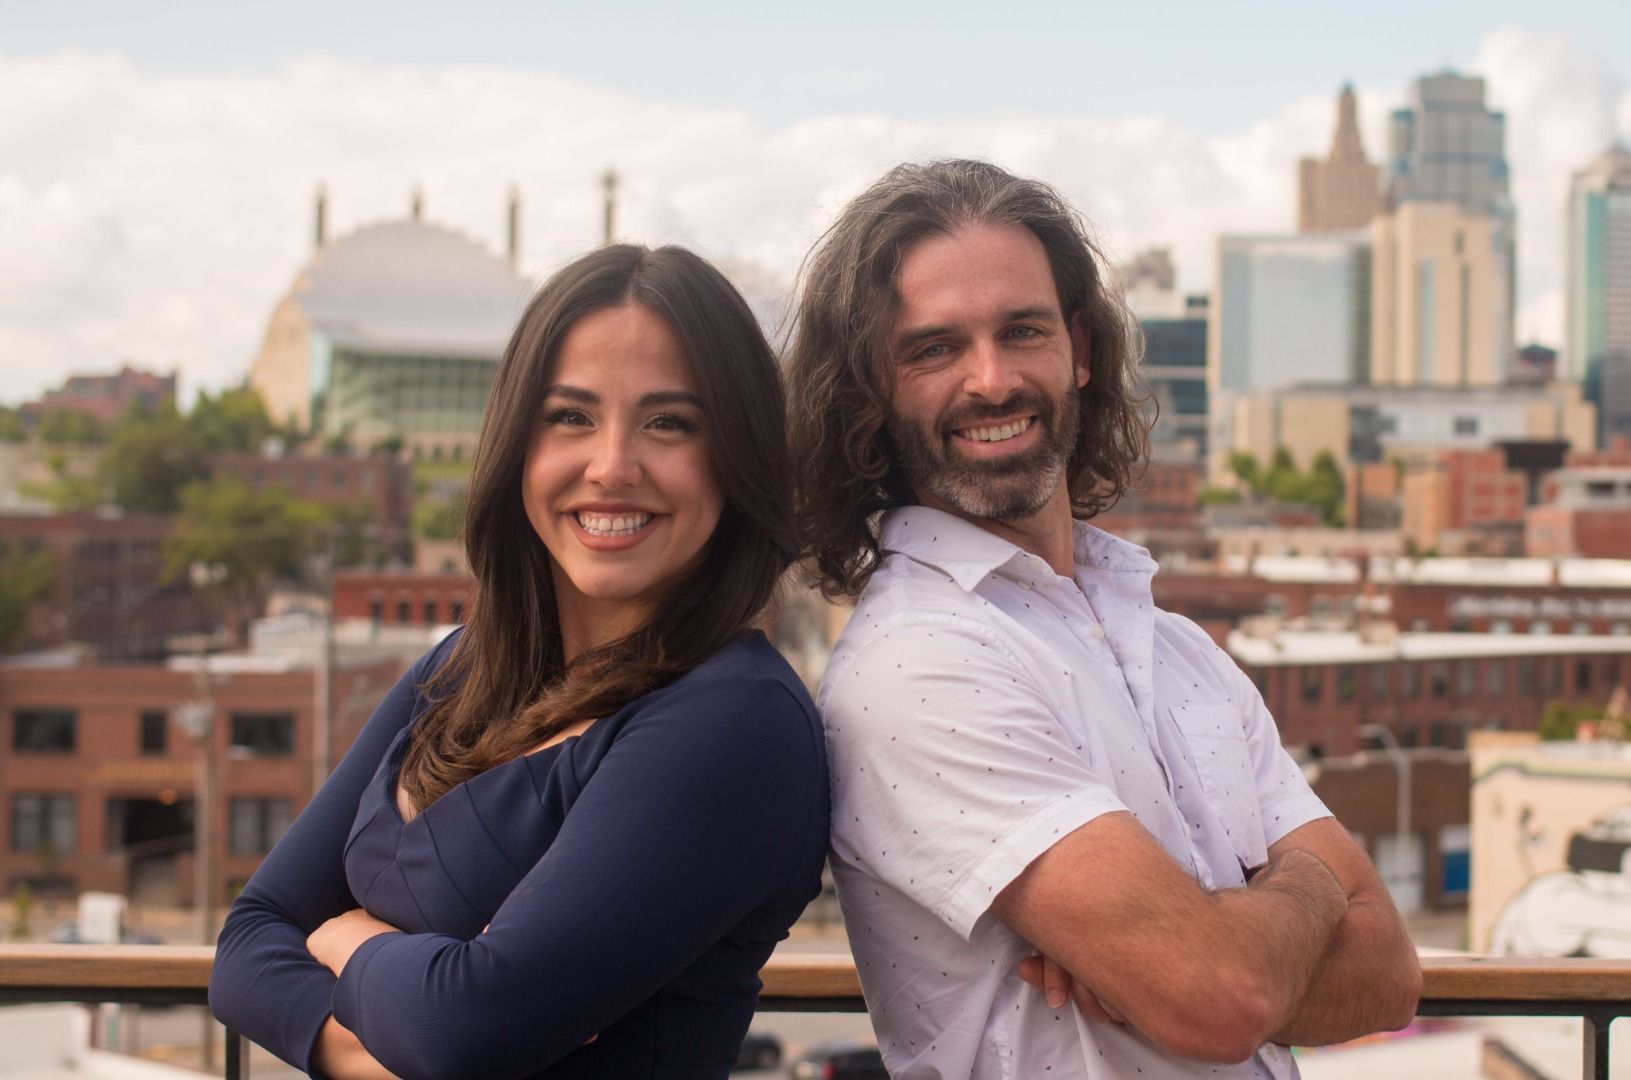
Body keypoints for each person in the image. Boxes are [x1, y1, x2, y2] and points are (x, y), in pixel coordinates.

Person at [787, 159, 1422, 1079]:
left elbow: (1389, 974)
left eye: (1023, 330)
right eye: (933, 349)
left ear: (1079, 347)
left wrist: (1218, 945)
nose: (991, 379)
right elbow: (1222, 997)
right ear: (870, 391)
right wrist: (1313, 889)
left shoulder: (1179, 648)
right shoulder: (917, 666)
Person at [210, 244, 828, 1079]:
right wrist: (383, 1036)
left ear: (736, 455)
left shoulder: (735, 721)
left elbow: (466, 1030)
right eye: (570, 416)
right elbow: (248, 940)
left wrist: (342, 936)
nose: (611, 467)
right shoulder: (461, 669)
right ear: (516, 441)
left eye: (669, 422)